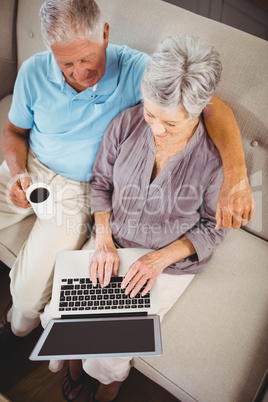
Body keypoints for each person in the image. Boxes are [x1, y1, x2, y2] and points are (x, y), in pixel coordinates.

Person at [0, 0, 254, 346]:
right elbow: (14, 131)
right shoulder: (33, 71)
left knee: (31, 298)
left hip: (79, 189)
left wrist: (236, 176)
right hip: (29, 168)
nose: (77, 74)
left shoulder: (140, 71)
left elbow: (207, 104)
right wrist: (17, 172)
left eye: (86, 59)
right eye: (65, 64)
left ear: (104, 35)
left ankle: (17, 329)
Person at [41, 34, 230, 401]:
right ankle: (74, 364)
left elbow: (213, 228)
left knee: (111, 348)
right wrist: (104, 239)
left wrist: (159, 259)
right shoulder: (126, 124)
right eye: (150, 113)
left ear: (201, 108)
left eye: (171, 124)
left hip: (168, 262)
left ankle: (108, 388)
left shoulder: (214, 160)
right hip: (112, 239)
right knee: (60, 315)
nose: (157, 130)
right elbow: (101, 184)